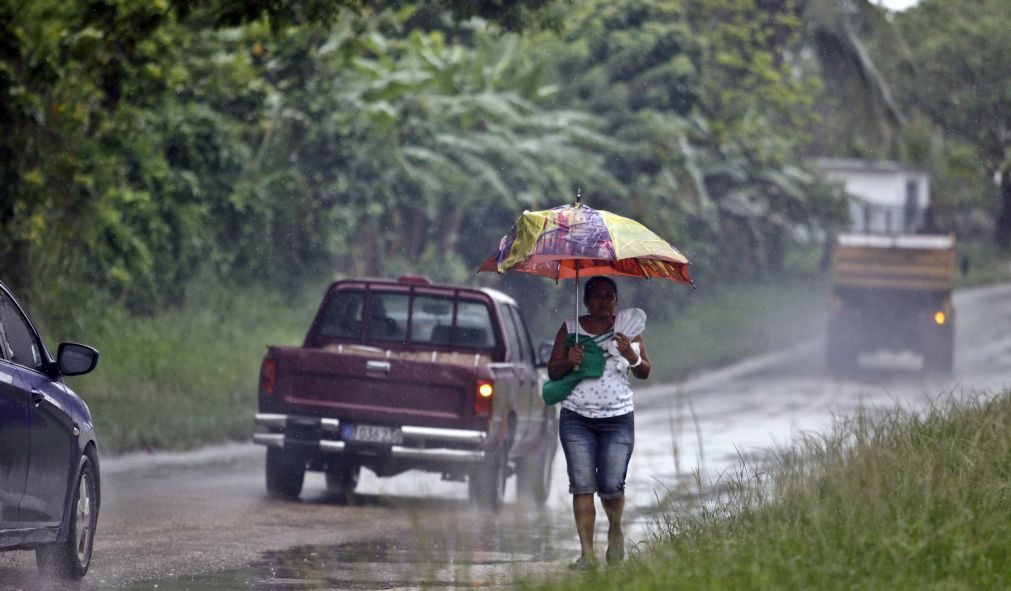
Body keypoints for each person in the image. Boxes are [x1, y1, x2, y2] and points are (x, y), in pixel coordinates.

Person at [546, 276, 650, 570]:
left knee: (612, 485)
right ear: (586, 300)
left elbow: (644, 372)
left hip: (617, 419)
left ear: (616, 300)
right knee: (581, 485)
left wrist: (631, 355)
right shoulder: (570, 329)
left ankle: (615, 530)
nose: (604, 301)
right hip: (576, 418)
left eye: (610, 296)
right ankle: (587, 555)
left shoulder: (629, 330)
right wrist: (569, 359)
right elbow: (553, 372)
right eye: (597, 296)